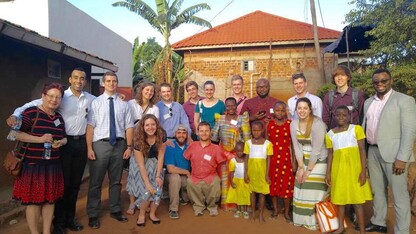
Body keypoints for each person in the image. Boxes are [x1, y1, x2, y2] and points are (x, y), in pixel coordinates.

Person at [7, 68, 95, 233]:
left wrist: (118, 97)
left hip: (74, 144)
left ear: (85, 81)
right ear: (70, 79)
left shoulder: (88, 100)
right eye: (75, 77)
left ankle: (70, 219)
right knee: (63, 186)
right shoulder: (58, 98)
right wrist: (15, 114)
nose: (78, 81)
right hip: (54, 152)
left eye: (82, 78)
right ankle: (59, 223)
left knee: (73, 185)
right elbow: (31, 106)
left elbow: (103, 102)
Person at [362, 68, 416, 234]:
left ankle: (402, 230)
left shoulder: (404, 100)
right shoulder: (368, 102)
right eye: (376, 82)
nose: (380, 84)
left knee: (399, 196)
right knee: (377, 191)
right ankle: (379, 222)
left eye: (383, 81)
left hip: (394, 155)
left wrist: (402, 158)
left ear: (390, 80)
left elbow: (409, 131)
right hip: (373, 151)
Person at [12, 83, 66, 234]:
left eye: (58, 97)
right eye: (51, 96)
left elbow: (64, 137)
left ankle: (47, 231)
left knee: (50, 200)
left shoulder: (59, 118)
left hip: (53, 165)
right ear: (43, 96)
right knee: (33, 203)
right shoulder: (31, 113)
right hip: (33, 165)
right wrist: (40, 139)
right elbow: (14, 134)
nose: (54, 100)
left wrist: (61, 142)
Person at [86, 71, 134, 229]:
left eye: (114, 81)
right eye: (108, 81)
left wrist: (129, 146)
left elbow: (128, 127)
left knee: (116, 181)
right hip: (100, 145)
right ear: (103, 83)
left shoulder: (124, 104)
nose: (111, 83)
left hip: (119, 145)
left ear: (117, 83)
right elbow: (90, 126)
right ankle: (93, 213)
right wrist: (89, 148)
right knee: (96, 181)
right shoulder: (96, 103)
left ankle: (115, 209)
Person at [325, 105, 372, 234]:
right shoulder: (330, 134)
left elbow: (362, 150)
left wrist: (363, 170)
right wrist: (328, 173)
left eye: (344, 115)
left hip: (355, 171)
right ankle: (340, 227)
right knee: (340, 201)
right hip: (338, 171)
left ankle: (362, 230)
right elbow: (330, 154)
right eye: (338, 115)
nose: (341, 117)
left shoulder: (356, 129)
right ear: (334, 116)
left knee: (357, 202)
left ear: (349, 116)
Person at [290, 97, 328, 231]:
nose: (302, 111)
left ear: (310, 109)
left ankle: (314, 221)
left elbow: (317, 150)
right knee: (299, 182)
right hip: (303, 158)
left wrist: (308, 170)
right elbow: (296, 148)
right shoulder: (293, 124)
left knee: (309, 182)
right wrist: (301, 167)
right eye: (299, 108)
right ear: (296, 109)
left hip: (319, 159)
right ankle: (301, 220)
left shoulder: (318, 123)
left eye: (305, 108)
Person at [211, 97, 251, 210]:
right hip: (223, 155)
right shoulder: (220, 119)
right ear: (225, 107)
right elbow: (214, 137)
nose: (231, 108)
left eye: (233, 105)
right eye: (228, 106)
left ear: (236, 106)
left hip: (238, 155)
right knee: (225, 179)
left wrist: (243, 155)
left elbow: (247, 139)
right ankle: (227, 204)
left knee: (239, 179)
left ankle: (239, 203)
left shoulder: (242, 119)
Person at [126, 81, 159, 215]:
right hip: (134, 143)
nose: (149, 92)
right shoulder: (131, 104)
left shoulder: (154, 108)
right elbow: (127, 122)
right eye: (147, 90)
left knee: (148, 173)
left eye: (151, 91)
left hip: (148, 143)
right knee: (134, 173)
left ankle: (144, 202)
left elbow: (155, 126)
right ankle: (132, 203)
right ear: (141, 90)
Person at [184, 121, 225, 216]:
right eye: (201, 131)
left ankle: (212, 207)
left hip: (210, 176)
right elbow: (185, 158)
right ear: (197, 132)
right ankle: (198, 207)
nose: (204, 133)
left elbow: (221, 164)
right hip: (195, 176)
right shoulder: (192, 146)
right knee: (190, 182)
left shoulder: (216, 148)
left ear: (210, 132)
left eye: (206, 131)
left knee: (216, 182)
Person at [132, 114, 166, 226]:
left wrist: (158, 175)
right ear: (143, 127)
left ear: (157, 125)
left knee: (157, 189)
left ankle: (152, 213)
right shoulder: (138, 140)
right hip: (143, 164)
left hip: (157, 163)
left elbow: (161, 156)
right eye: (147, 125)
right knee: (146, 192)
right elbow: (141, 164)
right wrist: (147, 184)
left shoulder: (162, 135)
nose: (150, 127)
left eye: (153, 124)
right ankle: (141, 214)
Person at [266, 101, 294, 222]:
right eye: (277, 110)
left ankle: (287, 212)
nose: (280, 112)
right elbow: (267, 145)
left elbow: (293, 145)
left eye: (283, 110)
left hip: (286, 159)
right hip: (272, 159)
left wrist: (294, 162)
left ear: (286, 111)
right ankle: (276, 209)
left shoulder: (290, 124)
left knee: (287, 185)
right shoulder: (269, 124)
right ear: (274, 110)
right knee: (273, 184)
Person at [245, 120, 273, 223]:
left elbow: (268, 159)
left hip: (262, 173)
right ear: (251, 130)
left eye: (258, 130)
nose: (256, 132)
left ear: (262, 130)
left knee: (262, 194)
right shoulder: (248, 143)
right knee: (252, 193)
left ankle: (260, 213)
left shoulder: (268, 144)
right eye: (254, 130)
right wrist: (245, 173)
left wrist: (267, 175)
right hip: (252, 172)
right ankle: (253, 212)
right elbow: (246, 159)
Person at [322, 65, 365, 129]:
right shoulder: (329, 97)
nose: (339, 78)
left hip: (353, 136)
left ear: (348, 77)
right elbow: (325, 119)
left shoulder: (357, 95)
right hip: (335, 135)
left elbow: (362, 118)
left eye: (342, 75)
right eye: (336, 76)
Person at [164, 124, 191, 219]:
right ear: (175, 134)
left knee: (189, 181)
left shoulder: (190, 146)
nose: (181, 135)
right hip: (170, 176)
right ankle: (173, 209)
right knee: (176, 178)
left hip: (184, 176)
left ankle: (183, 197)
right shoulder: (170, 146)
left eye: (184, 133)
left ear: (187, 135)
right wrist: (187, 172)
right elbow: (170, 169)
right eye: (179, 133)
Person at [225, 142, 250, 219]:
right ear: (235, 151)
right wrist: (231, 181)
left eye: (241, 151)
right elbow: (231, 173)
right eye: (238, 151)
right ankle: (239, 210)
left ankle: (245, 211)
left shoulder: (246, 160)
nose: (240, 153)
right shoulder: (233, 161)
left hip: (245, 182)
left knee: (246, 196)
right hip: (237, 181)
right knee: (238, 196)